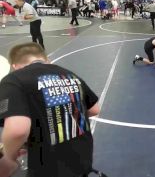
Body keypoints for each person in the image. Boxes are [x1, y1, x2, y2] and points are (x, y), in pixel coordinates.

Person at [0, 42, 100, 177]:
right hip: (81, 159)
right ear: (47, 60)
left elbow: (17, 130)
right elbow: (94, 109)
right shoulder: (70, 75)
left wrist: (9, 159)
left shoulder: (14, 80)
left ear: (14, 66)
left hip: (49, 167)